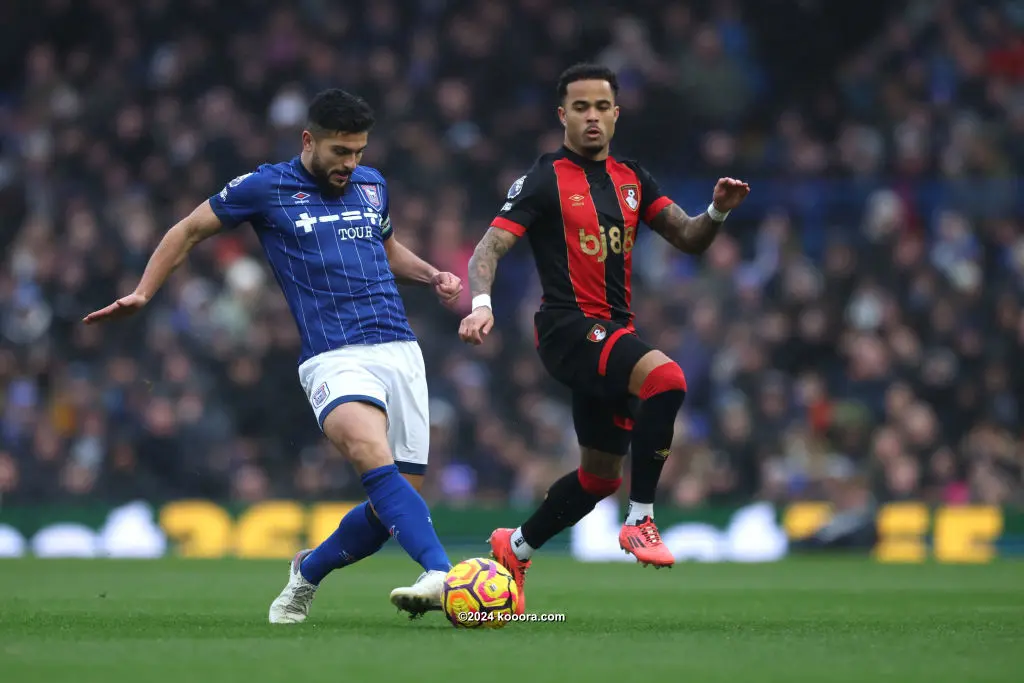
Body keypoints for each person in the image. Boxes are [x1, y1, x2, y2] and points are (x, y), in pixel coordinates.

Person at [84, 89, 461, 623]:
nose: (350, 164)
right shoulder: (265, 187)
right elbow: (188, 229)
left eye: (358, 152)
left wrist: (432, 276)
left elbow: (385, 247)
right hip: (333, 355)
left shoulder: (372, 185)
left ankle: (307, 572)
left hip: (400, 349)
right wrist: (144, 292)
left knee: (393, 506)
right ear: (309, 141)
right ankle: (439, 571)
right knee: (368, 453)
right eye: (340, 152)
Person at [458, 64, 750, 613]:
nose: (591, 117)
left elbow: (688, 237)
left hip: (612, 332)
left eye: (601, 107)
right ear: (562, 115)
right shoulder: (543, 178)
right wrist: (481, 305)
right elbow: (487, 250)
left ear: (616, 113)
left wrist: (715, 212)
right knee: (667, 378)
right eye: (580, 107)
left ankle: (514, 549)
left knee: (597, 478)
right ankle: (641, 521)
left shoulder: (634, 178)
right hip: (569, 328)